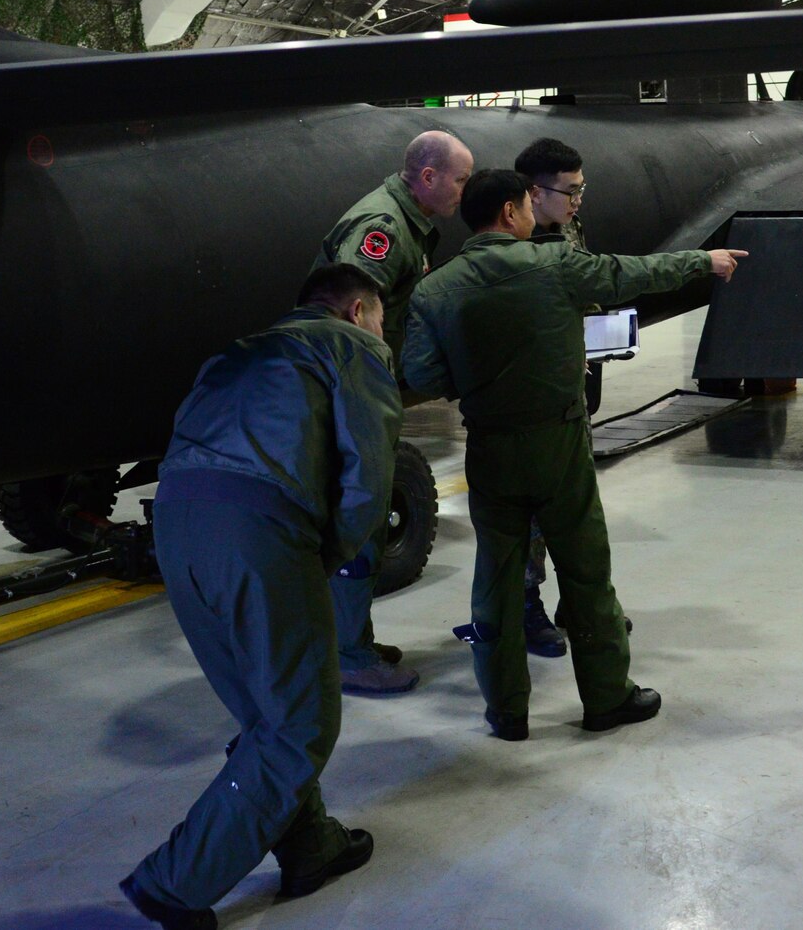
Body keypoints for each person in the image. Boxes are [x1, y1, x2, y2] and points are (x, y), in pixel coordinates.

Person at [401, 169, 747, 740]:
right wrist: (702, 262)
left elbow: (421, 372)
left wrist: (476, 378)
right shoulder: (553, 264)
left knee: (496, 577)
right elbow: (628, 275)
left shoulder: (435, 289)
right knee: (585, 573)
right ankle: (606, 697)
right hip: (558, 443)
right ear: (511, 213)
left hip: (489, 447)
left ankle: (507, 710)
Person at [121, 265, 403, 930]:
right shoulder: (352, 346)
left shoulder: (236, 352)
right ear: (359, 310)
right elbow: (369, 477)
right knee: (301, 725)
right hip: (258, 529)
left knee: (264, 708)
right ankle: (175, 883)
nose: (383, 332)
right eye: (383, 320)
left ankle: (312, 847)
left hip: (177, 524)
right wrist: (323, 558)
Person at [309, 130, 473, 696]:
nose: (462, 191)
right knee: (360, 517)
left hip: (364, 386)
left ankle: (350, 639)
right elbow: (345, 312)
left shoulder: (409, 225)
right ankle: (348, 655)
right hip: (351, 392)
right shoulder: (381, 230)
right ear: (428, 177)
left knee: (364, 517)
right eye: (459, 179)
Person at [511, 136, 593, 658]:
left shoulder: (567, 228)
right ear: (533, 193)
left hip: (570, 387)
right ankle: (525, 605)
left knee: (575, 501)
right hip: (526, 399)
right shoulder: (506, 246)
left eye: (583, 189)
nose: (578, 200)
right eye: (570, 191)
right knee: (529, 510)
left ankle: (577, 601)